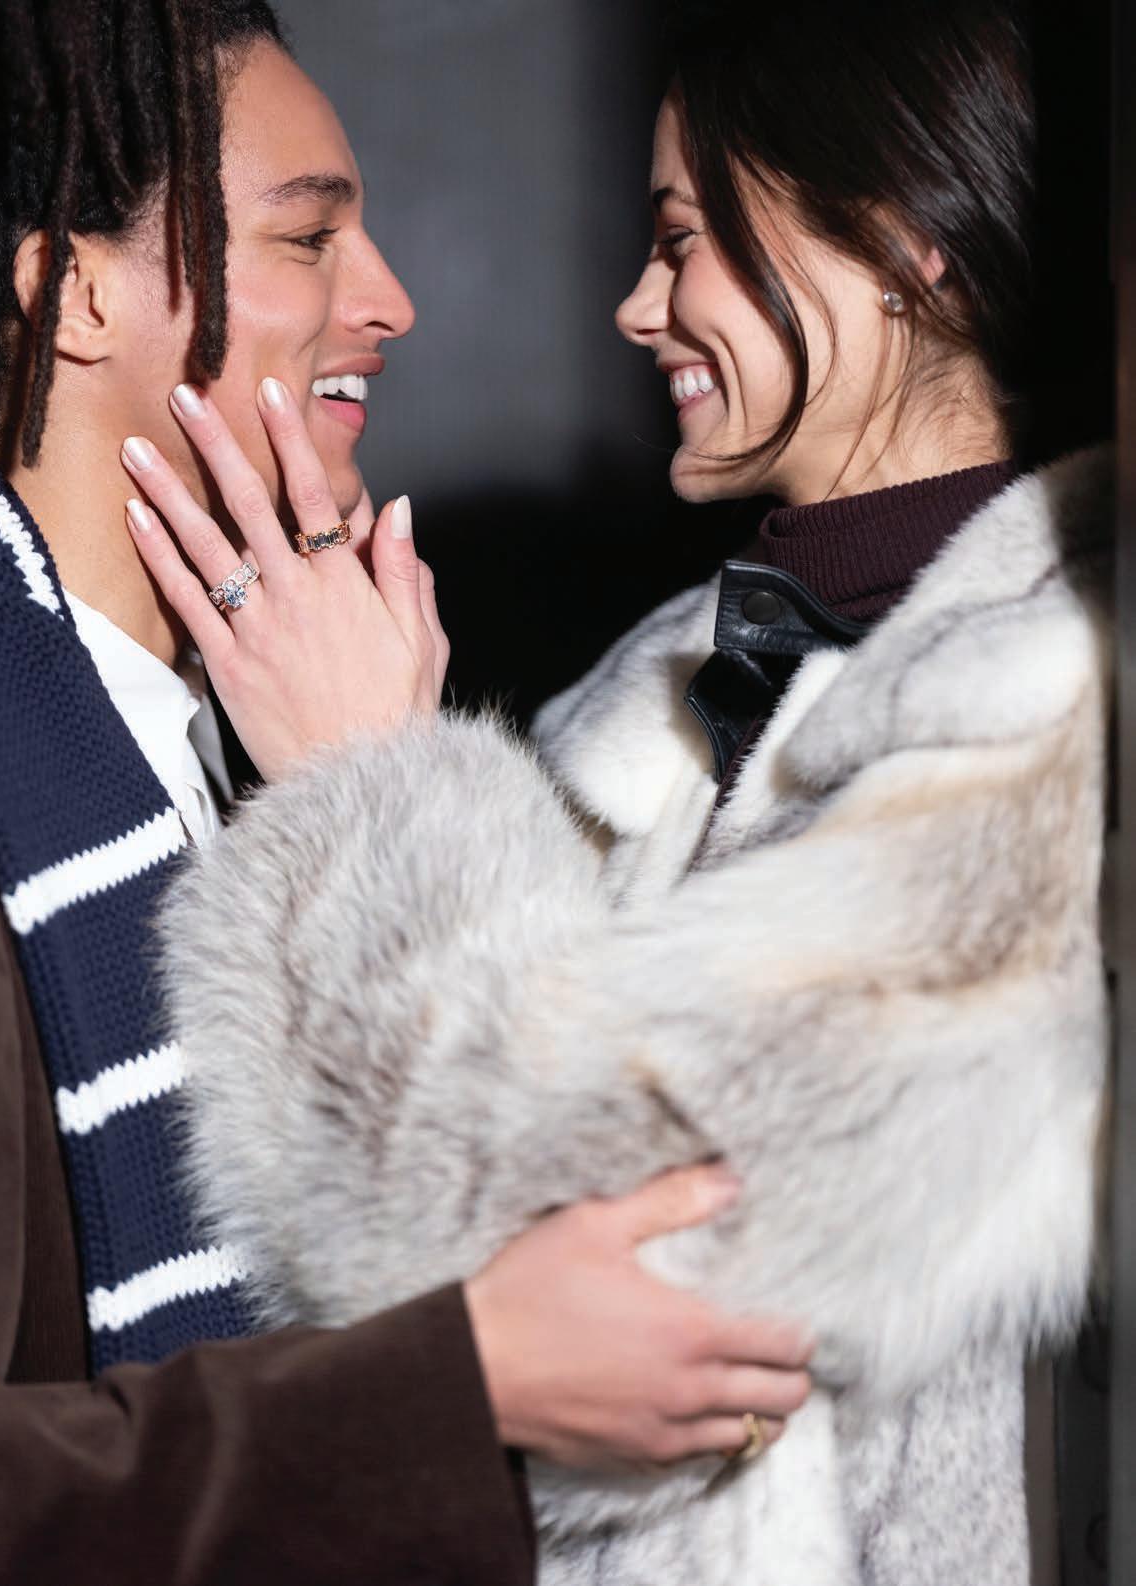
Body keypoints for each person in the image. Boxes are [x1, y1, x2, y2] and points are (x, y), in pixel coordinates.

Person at [124, 1, 1111, 1583]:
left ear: (902, 245)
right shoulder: (682, 686)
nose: (636, 308)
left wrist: (370, 775)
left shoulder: (1045, 705)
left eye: (680, 242)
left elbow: (615, 1297)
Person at [0, 3, 816, 1582]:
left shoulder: (214, 752)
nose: (389, 298)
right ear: (75, 294)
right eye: (307, 237)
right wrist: (453, 1388)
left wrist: (375, 787)